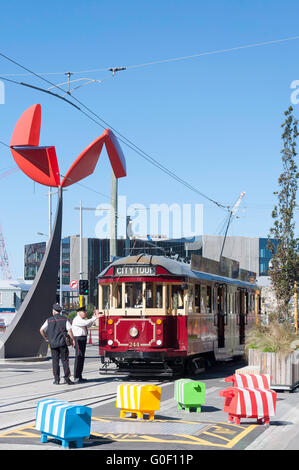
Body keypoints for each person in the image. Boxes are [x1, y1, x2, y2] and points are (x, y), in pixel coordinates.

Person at [40, 303, 75, 385]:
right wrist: (72, 340)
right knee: (65, 361)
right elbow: (70, 331)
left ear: (54, 311)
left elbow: (41, 330)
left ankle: (56, 379)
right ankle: (67, 378)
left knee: (55, 362)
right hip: (63, 344)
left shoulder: (49, 320)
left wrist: (46, 338)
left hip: (53, 345)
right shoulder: (64, 319)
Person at [71, 306, 101, 383]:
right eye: (84, 312)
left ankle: (79, 376)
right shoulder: (77, 319)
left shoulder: (81, 319)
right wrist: (95, 317)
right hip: (78, 339)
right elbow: (86, 323)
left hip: (83, 339)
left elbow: (88, 325)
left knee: (82, 358)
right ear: (79, 312)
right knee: (78, 357)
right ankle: (76, 376)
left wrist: (94, 317)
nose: (85, 313)